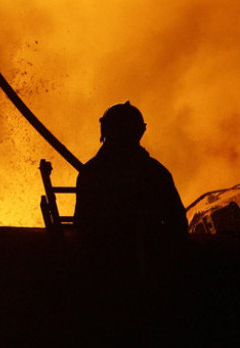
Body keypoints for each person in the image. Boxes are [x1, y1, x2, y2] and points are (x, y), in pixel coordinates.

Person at [74, 102, 188, 263]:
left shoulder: (90, 172)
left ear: (105, 129)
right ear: (140, 131)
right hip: (150, 266)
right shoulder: (155, 172)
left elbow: (82, 225)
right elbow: (178, 223)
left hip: (102, 266)